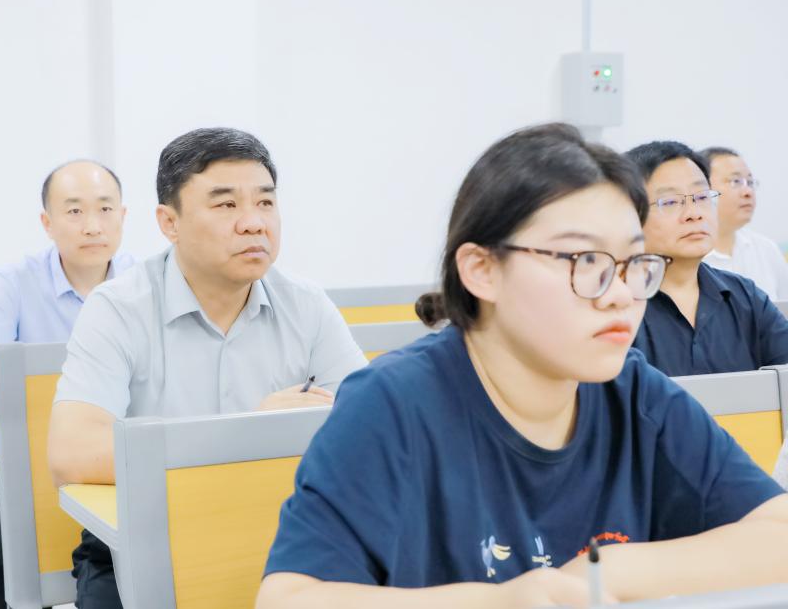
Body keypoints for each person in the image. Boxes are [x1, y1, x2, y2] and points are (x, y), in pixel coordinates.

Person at [256, 123, 788, 608]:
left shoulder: (634, 393)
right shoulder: (393, 403)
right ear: (482, 270)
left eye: (633, 262)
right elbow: (289, 598)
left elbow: (777, 532)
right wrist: (501, 602)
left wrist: (608, 571)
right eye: (586, 261)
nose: (621, 293)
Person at [48, 127, 368, 608]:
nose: (253, 223)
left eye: (265, 202)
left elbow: (371, 426)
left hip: (283, 530)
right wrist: (247, 433)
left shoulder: (306, 304)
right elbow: (71, 453)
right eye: (226, 204)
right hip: (144, 540)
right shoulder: (118, 308)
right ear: (169, 222)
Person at [0, 160, 132, 609]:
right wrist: (84, 373)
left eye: (105, 208)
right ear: (47, 223)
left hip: (116, 453)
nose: (92, 225)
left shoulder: (145, 280)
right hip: (27, 456)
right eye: (74, 211)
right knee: (1, 567)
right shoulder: (13, 282)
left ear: (123, 216)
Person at [625, 141, 788, 377]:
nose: (694, 214)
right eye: (670, 202)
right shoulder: (614, 305)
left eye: (702, 197)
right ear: (629, 215)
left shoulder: (746, 297)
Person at [699, 146, 788, 301]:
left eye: (750, 182)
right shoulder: (688, 256)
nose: (748, 192)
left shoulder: (766, 249)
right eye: (736, 181)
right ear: (702, 190)